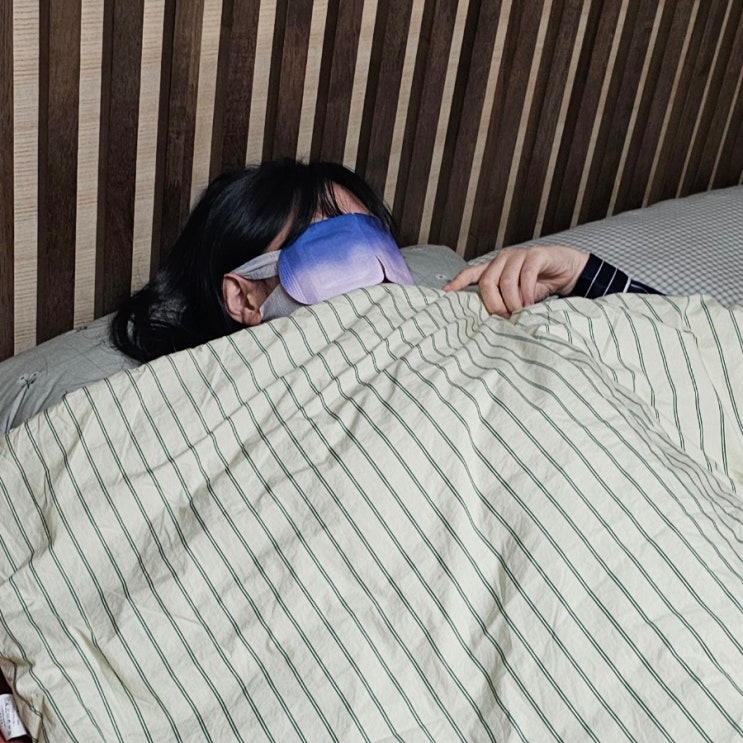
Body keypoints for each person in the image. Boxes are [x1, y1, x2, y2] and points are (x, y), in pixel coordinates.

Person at [111, 159, 658, 363]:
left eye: (378, 244)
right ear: (243, 295)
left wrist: (580, 274)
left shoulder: (474, 323)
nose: (374, 271)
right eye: (334, 247)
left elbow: (685, 344)